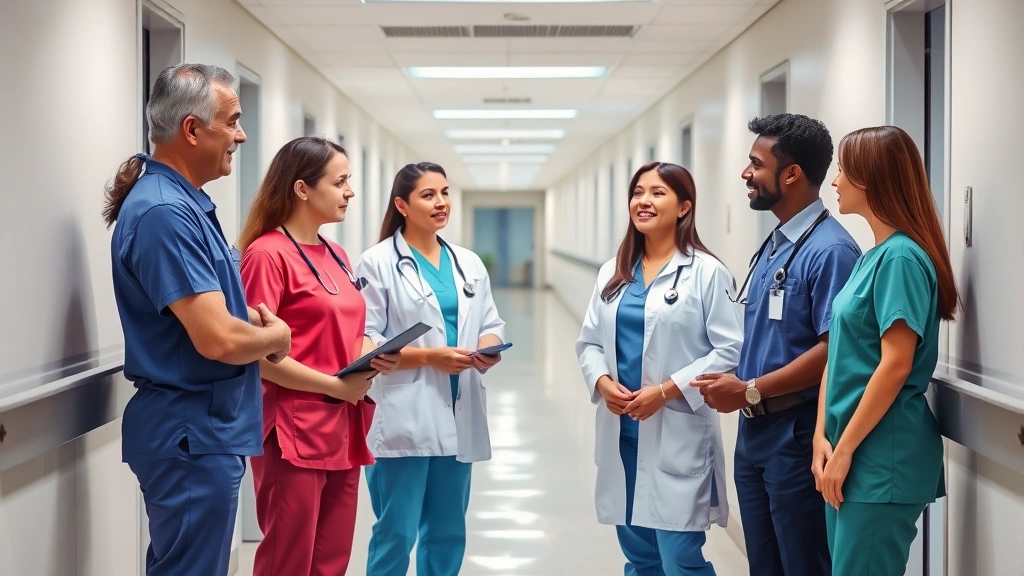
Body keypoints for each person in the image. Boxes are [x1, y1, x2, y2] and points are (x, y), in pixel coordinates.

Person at [104, 63, 291, 575]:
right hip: (191, 431)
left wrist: (246, 321)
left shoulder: (186, 205)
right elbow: (217, 340)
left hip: (203, 430)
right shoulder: (165, 212)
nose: (241, 134)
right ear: (192, 129)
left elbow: (210, 313)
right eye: (232, 121)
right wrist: (275, 334)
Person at [691, 113, 861, 576]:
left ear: (791, 174)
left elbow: (835, 350)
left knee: (802, 562)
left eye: (755, 164)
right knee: (764, 563)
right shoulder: (776, 242)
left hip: (797, 431)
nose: (746, 174)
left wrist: (748, 390)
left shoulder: (831, 251)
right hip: (755, 432)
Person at [237, 136, 400, 575]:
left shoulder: (337, 254)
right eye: (340, 181)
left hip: (343, 426)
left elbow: (347, 330)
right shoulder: (267, 255)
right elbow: (256, 354)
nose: (350, 192)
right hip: (292, 428)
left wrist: (375, 354)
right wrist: (334, 385)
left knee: (331, 560)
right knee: (287, 559)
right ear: (302, 188)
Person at [576, 162, 743, 576]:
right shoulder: (612, 273)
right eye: (637, 192)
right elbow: (590, 341)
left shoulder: (706, 272)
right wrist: (601, 381)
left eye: (657, 192)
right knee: (640, 557)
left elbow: (730, 349)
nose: (643, 201)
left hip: (677, 431)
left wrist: (666, 390)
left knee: (680, 558)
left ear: (684, 207)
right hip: (624, 433)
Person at [813, 126, 954, 575]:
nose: (834, 181)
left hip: (879, 458)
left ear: (869, 178)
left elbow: (895, 365)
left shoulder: (900, 259)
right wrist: (822, 436)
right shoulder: (872, 256)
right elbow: (838, 355)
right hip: (848, 450)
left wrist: (846, 449)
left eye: (842, 170)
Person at [356, 162, 507, 576]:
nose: (441, 203)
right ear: (402, 205)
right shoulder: (377, 262)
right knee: (397, 533)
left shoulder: (468, 262)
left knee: (447, 531)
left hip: (460, 410)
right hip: (404, 413)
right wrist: (430, 357)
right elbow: (364, 343)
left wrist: (489, 349)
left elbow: (491, 323)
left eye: (444, 192)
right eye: (428, 195)